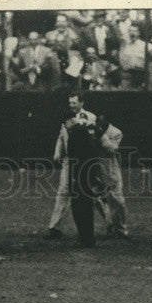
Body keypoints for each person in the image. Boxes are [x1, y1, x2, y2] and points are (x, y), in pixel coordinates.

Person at [45, 94, 96, 238]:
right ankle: (55, 227)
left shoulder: (89, 117)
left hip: (82, 161)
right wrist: (57, 153)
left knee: (90, 195)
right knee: (63, 191)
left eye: (74, 102)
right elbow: (61, 137)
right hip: (69, 160)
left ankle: (110, 223)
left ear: (81, 102)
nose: (72, 105)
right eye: (70, 103)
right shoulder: (67, 119)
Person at [65, 114, 103, 248]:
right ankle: (87, 237)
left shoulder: (76, 132)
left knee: (79, 207)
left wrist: (76, 175)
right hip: (86, 173)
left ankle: (86, 238)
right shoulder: (83, 131)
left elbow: (75, 155)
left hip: (81, 173)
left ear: (70, 121)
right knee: (85, 206)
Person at [94, 114, 127, 237]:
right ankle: (109, 224)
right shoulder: (93, 130)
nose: (99, 124)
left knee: (118, 200)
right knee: (96, 199)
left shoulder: (116, 132)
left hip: (110, 168)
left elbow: (112, 150)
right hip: (95, 168)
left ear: (107, 122)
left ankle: (122, 229)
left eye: (101, 122)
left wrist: (101, 136)